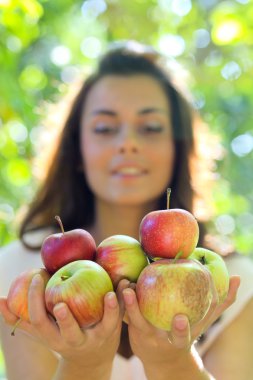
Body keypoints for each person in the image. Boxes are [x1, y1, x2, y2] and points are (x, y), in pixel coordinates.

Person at [0, 41, 252, 380]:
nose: (127, 143)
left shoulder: (231, 283)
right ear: (77, 150)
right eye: (105, 128)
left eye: (150, 128)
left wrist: (173, 363)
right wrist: (84, 365)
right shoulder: (22, 274)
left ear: (178, 148)